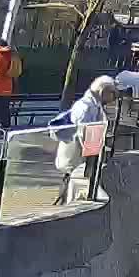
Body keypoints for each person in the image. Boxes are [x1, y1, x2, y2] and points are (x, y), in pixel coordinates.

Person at [49, 75, 113, 204]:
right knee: (75, 184)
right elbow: (82, 133)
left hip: (83, 156)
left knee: (75, 185)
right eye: (113, 94)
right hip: (76, 156)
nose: (113, 99)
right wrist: (94, 150)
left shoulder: (94, 105)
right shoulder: (85, 107)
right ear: (104, 91)